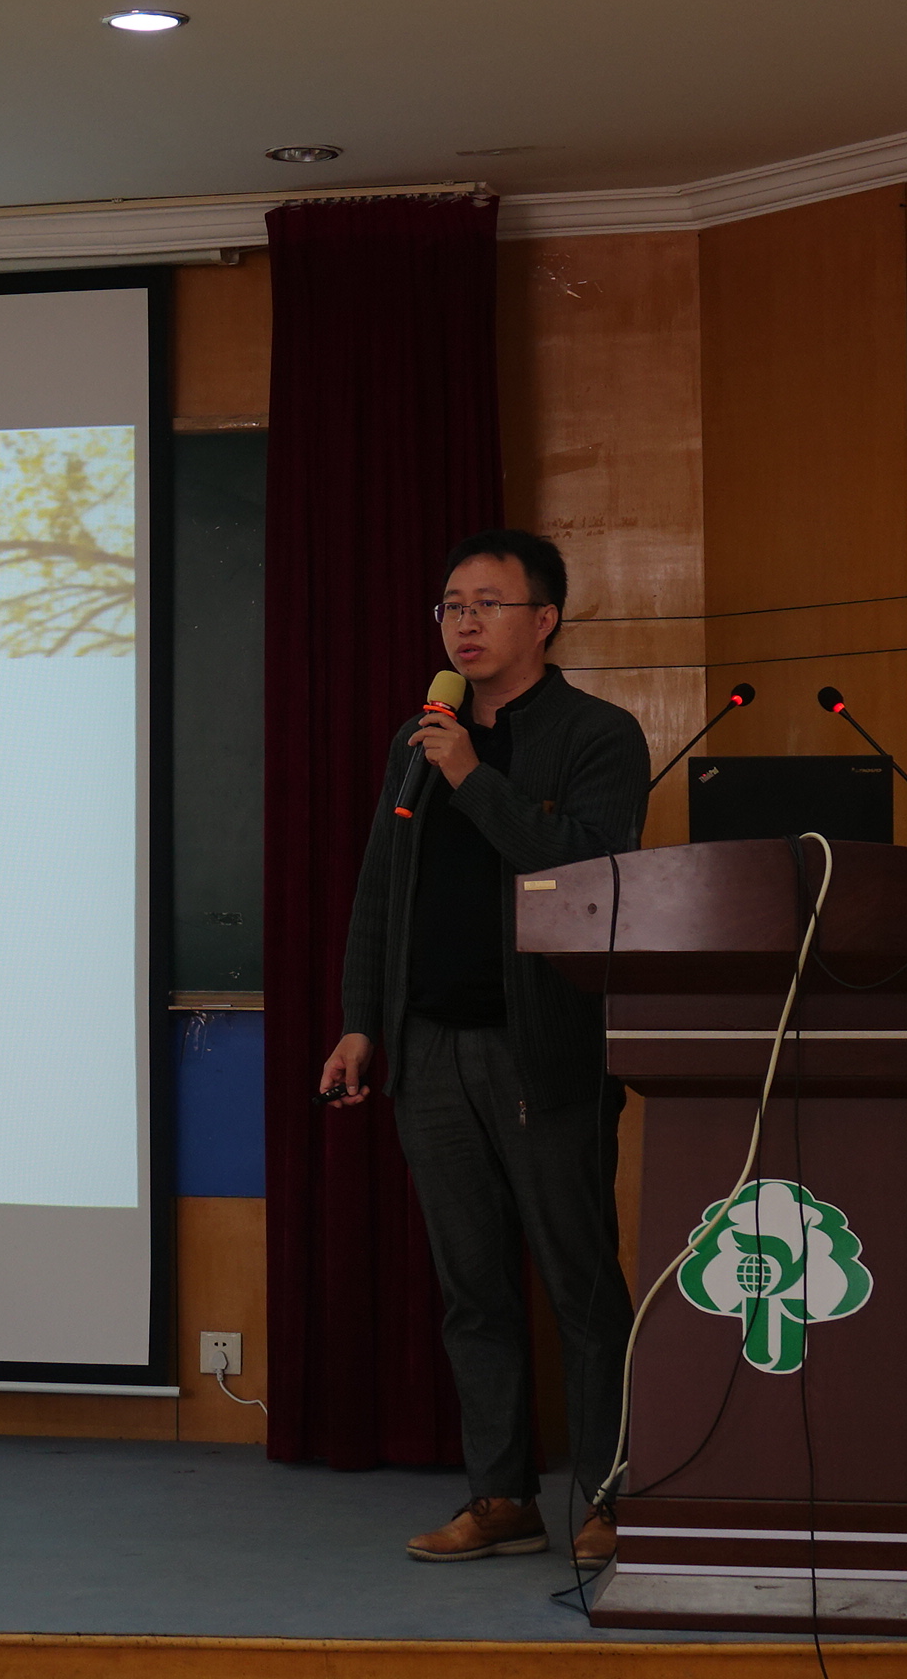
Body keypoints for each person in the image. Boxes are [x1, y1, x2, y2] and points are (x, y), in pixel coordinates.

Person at [318, 528, 648, 1570]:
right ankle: (500, 1495)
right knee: (472, 1288)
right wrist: (362, 1019)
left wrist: (472, 778)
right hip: (429, 1050)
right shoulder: (420, 738)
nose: (463, 623)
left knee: (580, 1281)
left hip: (542, 1051)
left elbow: (588, 869)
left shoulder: (599, 735)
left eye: (487, 604)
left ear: (543, 620)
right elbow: (382, 888)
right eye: (452, 605)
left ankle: (611, 1499)